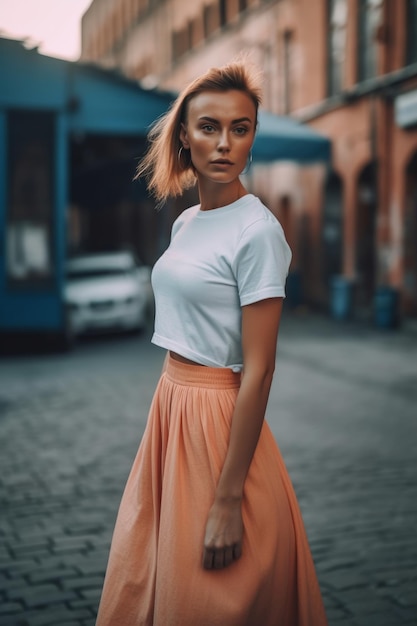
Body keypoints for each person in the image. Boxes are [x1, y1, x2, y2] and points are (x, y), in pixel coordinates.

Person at [95, 61, 328, 626]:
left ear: (252, 136)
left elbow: (261, 370)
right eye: (209, 127)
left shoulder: (258, 232)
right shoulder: (187, 223)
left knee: (206, 599)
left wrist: (228, 502)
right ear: (184, 135)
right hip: (170, 407)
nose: (225, 143)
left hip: (217, 422)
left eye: (240, 128)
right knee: (148, 576)